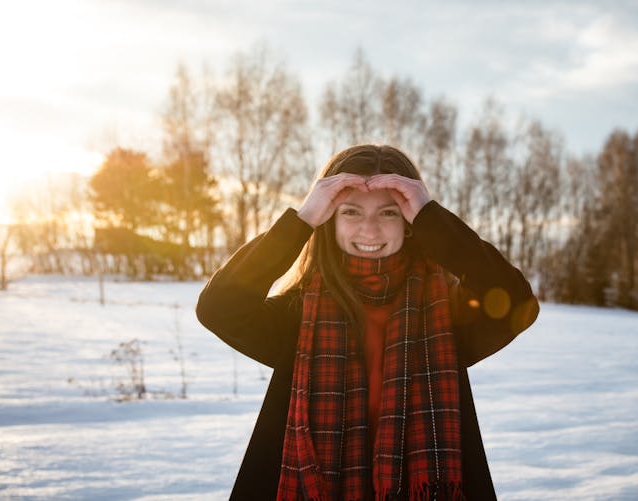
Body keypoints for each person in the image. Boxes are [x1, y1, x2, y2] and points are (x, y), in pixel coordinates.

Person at [196, 144, 539, 501]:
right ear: (329, 219)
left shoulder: (448, 314)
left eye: (389, 213)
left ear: (409, 223)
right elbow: (219, 307)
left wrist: (432, 217)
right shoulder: (298, 317)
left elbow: (518, 302)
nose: (369, 230)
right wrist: (301, 221)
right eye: (351, 212)